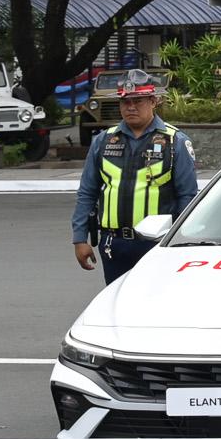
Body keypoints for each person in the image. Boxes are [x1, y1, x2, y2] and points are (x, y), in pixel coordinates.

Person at [70, 70, 197, 283]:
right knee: (117, 306)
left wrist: (181, 242)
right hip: (114, 244)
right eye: (125, 101)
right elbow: (87, 193)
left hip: (158, 245)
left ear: (153, 101)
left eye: (138, 101)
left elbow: (187, 197)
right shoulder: (104, 141)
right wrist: (80, 239)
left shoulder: (175, 142)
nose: (130, 107)